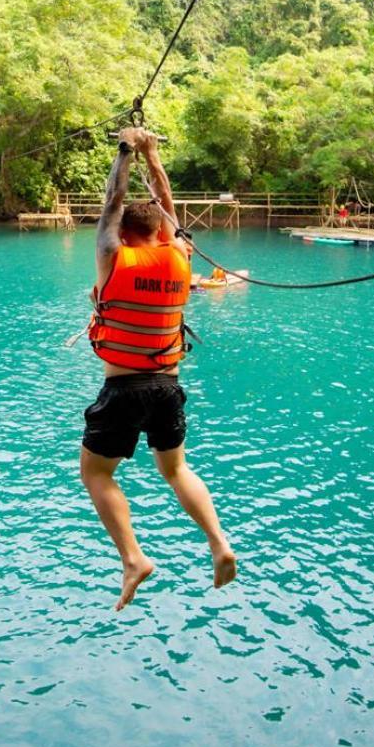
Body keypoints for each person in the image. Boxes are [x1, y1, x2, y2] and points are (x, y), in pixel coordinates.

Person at [82, 126, 236, 611]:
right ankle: (218, 542)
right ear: (163, 233)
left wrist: (125, 150)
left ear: (125, 234)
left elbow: (113, 198)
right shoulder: (179, 256)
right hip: (168, 388)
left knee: (97, 475)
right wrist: (151, 154)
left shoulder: (113, 257)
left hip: (124, 389)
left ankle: (133, 559)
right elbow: (166, 199)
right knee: (176, 469)